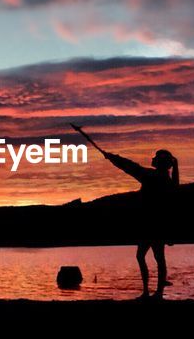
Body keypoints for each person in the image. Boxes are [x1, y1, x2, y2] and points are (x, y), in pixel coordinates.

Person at [71, 125, 179, 299]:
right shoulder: (167, 180)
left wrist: (112, 158)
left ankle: (151, 292)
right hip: (158, 224)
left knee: (145, 256)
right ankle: (157, 292)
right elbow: (133, 167)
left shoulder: (151, 176)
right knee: (157, 258)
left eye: (156, 158)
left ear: (159, 162)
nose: (153, 159)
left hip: (151, 224)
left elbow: (130, 166)